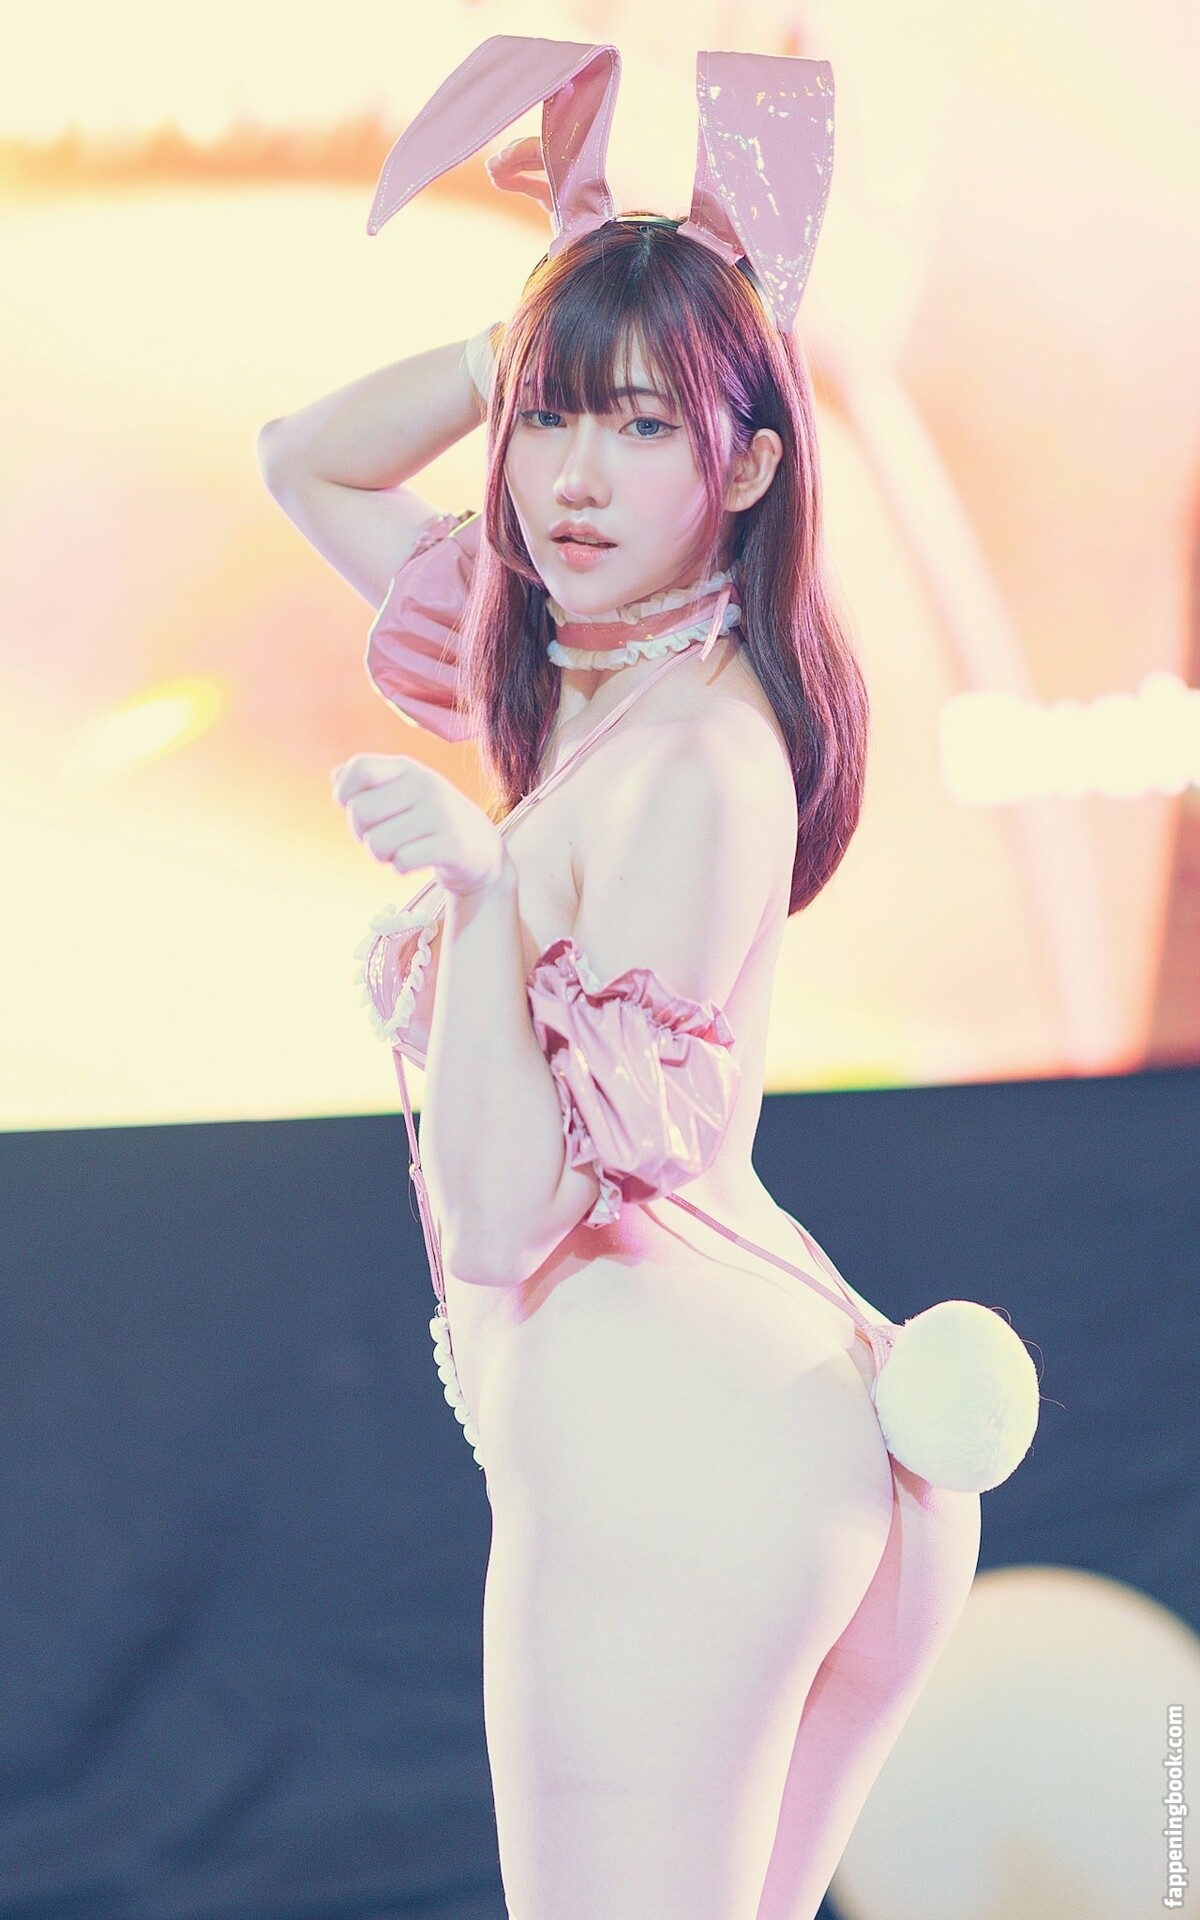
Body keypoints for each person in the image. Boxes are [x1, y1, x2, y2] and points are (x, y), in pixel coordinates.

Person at [258, 40, 982, 1920]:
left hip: (678, 1456)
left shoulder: (691, 764)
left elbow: (514, 1213)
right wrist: (530, 341)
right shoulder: (595, 678)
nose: (572, 480)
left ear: (749, 466)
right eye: (549, 421)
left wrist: (480, 893)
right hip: (750, 1426)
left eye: (643, 426)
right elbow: (300, 459)